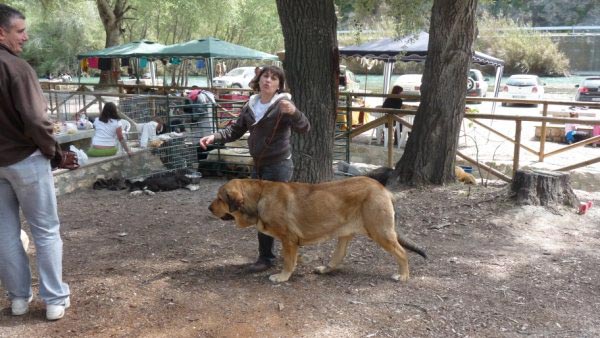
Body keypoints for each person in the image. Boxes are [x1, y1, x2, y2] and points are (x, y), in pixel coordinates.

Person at [199, 65, 310, 272]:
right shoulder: (251, 105)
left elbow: (305, 127)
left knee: (274, 213)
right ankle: (266, 257)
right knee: (261, 213)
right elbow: (235, 129)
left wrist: (295, 113)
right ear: (258, 80)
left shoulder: (284, 104)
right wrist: (214, 136)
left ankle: (286, 252)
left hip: (278, 166)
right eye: (265, 76)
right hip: (257, 166)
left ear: (279, 85)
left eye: (274, 78)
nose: (268, 80)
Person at [0, 4, 70, 320]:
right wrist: (54, 152)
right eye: (20, 31)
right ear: (1, 32)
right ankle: (54, 300)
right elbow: (34, 119)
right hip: (26, 160)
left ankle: (17, 300)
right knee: (45, 231)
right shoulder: (16, 68)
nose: (25, 37)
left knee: (4, 233)